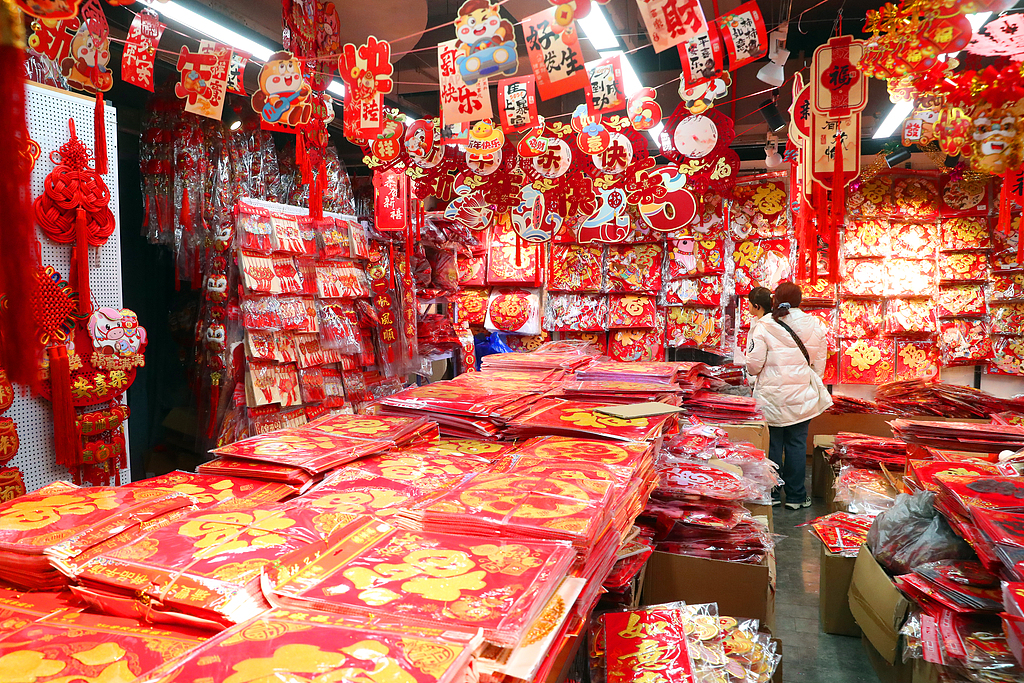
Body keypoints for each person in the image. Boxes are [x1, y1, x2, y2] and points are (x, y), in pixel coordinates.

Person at [744, 281, 832, 509]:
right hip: (801, 396)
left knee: (772, 445)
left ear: (775, 300)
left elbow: (753, 365)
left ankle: (772, 493)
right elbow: (819, 364)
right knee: (797, 445)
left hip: (771, 396)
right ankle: (796, 497)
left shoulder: (764, 324)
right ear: (799, 301)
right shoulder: (814, 324)